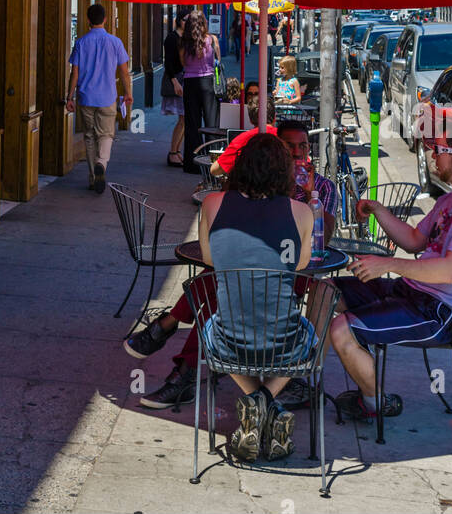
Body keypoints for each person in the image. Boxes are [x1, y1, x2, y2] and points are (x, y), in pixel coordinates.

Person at [129, 126, 332, 427]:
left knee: (211, 305)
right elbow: (302, 263)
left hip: (227, 344)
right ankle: (266, 400)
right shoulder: (302, 212)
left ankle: (254, 399)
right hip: (286, 342)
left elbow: (211, 259)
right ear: (283, 170)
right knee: (312, 328)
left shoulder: (212, 203)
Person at [330, 129, 452, 424]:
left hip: (441, 313)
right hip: (410, 292)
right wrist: (377, 210)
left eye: (438, 150)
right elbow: (414, 240)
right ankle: (303, 374)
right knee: (327, 291)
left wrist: (388, 264)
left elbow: (449, 271)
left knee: (340, 330)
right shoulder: (451, 201)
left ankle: (375, 403)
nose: (433, 156)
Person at [66, 3, 132, 194]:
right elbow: (125, 72)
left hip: (86, 97)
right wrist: (128, 93)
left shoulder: (80, 43)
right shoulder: (115, 42)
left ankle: (93, 177)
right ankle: (101, 164)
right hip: (107, 97)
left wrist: (69, 96)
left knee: (89, 137)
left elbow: (74, 73)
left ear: (87, 20)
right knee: (106, 135)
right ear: (105, 20)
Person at [180, 10, 220, 175]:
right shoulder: (211, 40)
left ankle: (192, 163)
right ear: (204, 23)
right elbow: (217, 61)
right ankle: (213, 162)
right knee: (211, 123)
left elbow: (183, 63)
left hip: (190, 83)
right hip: (208, 82)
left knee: (192, 124)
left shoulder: (184, 43)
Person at [161, 8, 190, 166]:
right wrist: (175, 81)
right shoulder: (172, 38)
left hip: (184, 77)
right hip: (176, 78)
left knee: (185, 118)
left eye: (189, 20)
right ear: (179, 20)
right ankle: (173, 152)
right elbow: (168, 63)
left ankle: (176, 151)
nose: (187, 22)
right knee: (183, 117)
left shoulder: (186, 37)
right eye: (185, 19)